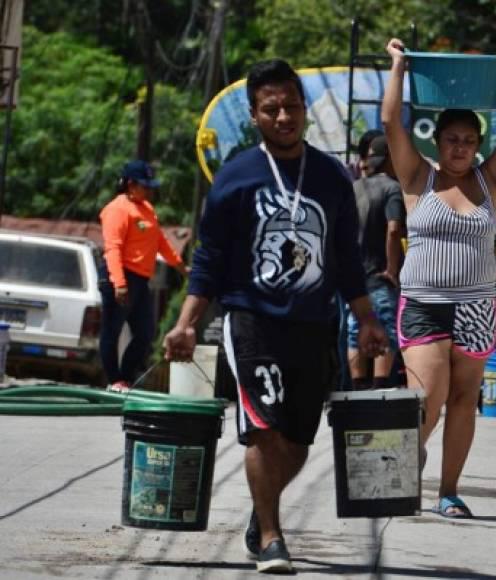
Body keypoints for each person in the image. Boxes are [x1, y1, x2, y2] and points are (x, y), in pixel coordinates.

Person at [162, 59, 387, 574]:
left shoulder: (332, 177)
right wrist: (187, 322)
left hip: (314, 323)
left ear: (303, 107)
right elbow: (209, 260)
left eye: (292, 105)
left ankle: (260, 510)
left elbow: (347, 259)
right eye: (271, 109)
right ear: (254, 114)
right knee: (262, 428)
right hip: (252, 320)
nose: (284, 116)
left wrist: (368, 319)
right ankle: (270, 536)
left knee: (299, 440)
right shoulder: (236, 176)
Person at [382, 38, 496, 518]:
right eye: (452, 140)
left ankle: (448, 492)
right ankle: (408, 457)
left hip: (477, 306)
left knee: (465, 400)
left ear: (477, 145)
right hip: (424, 302)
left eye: (469, 140)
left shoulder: (491, 182)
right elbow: (390, 123)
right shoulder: (417, 178)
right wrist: (398, 68)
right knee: (429, 395)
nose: (461, 148)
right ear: (437, 142)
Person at [99, 160, 186, 392]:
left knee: (145, 332)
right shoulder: (117, 209)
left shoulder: (147, 209)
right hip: (120, 277)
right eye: (145, 186)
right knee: (112, 330)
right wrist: (119, 284)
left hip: (140, 279)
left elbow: (160, 242)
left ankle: (126, 378)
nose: (150, 191)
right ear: (130, 185)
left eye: (151, 186)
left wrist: (180, 266)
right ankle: (114, 379)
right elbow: (113, 248)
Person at [347, 135, 405, 389]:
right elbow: (393, 230)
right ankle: (379, 388)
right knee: (386, 332)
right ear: (390, 159)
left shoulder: (354, 188)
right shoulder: (392, 188)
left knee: (353, 335)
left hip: (355, 279)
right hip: (379, 275)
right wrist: (391, 270)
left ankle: (358, 388)